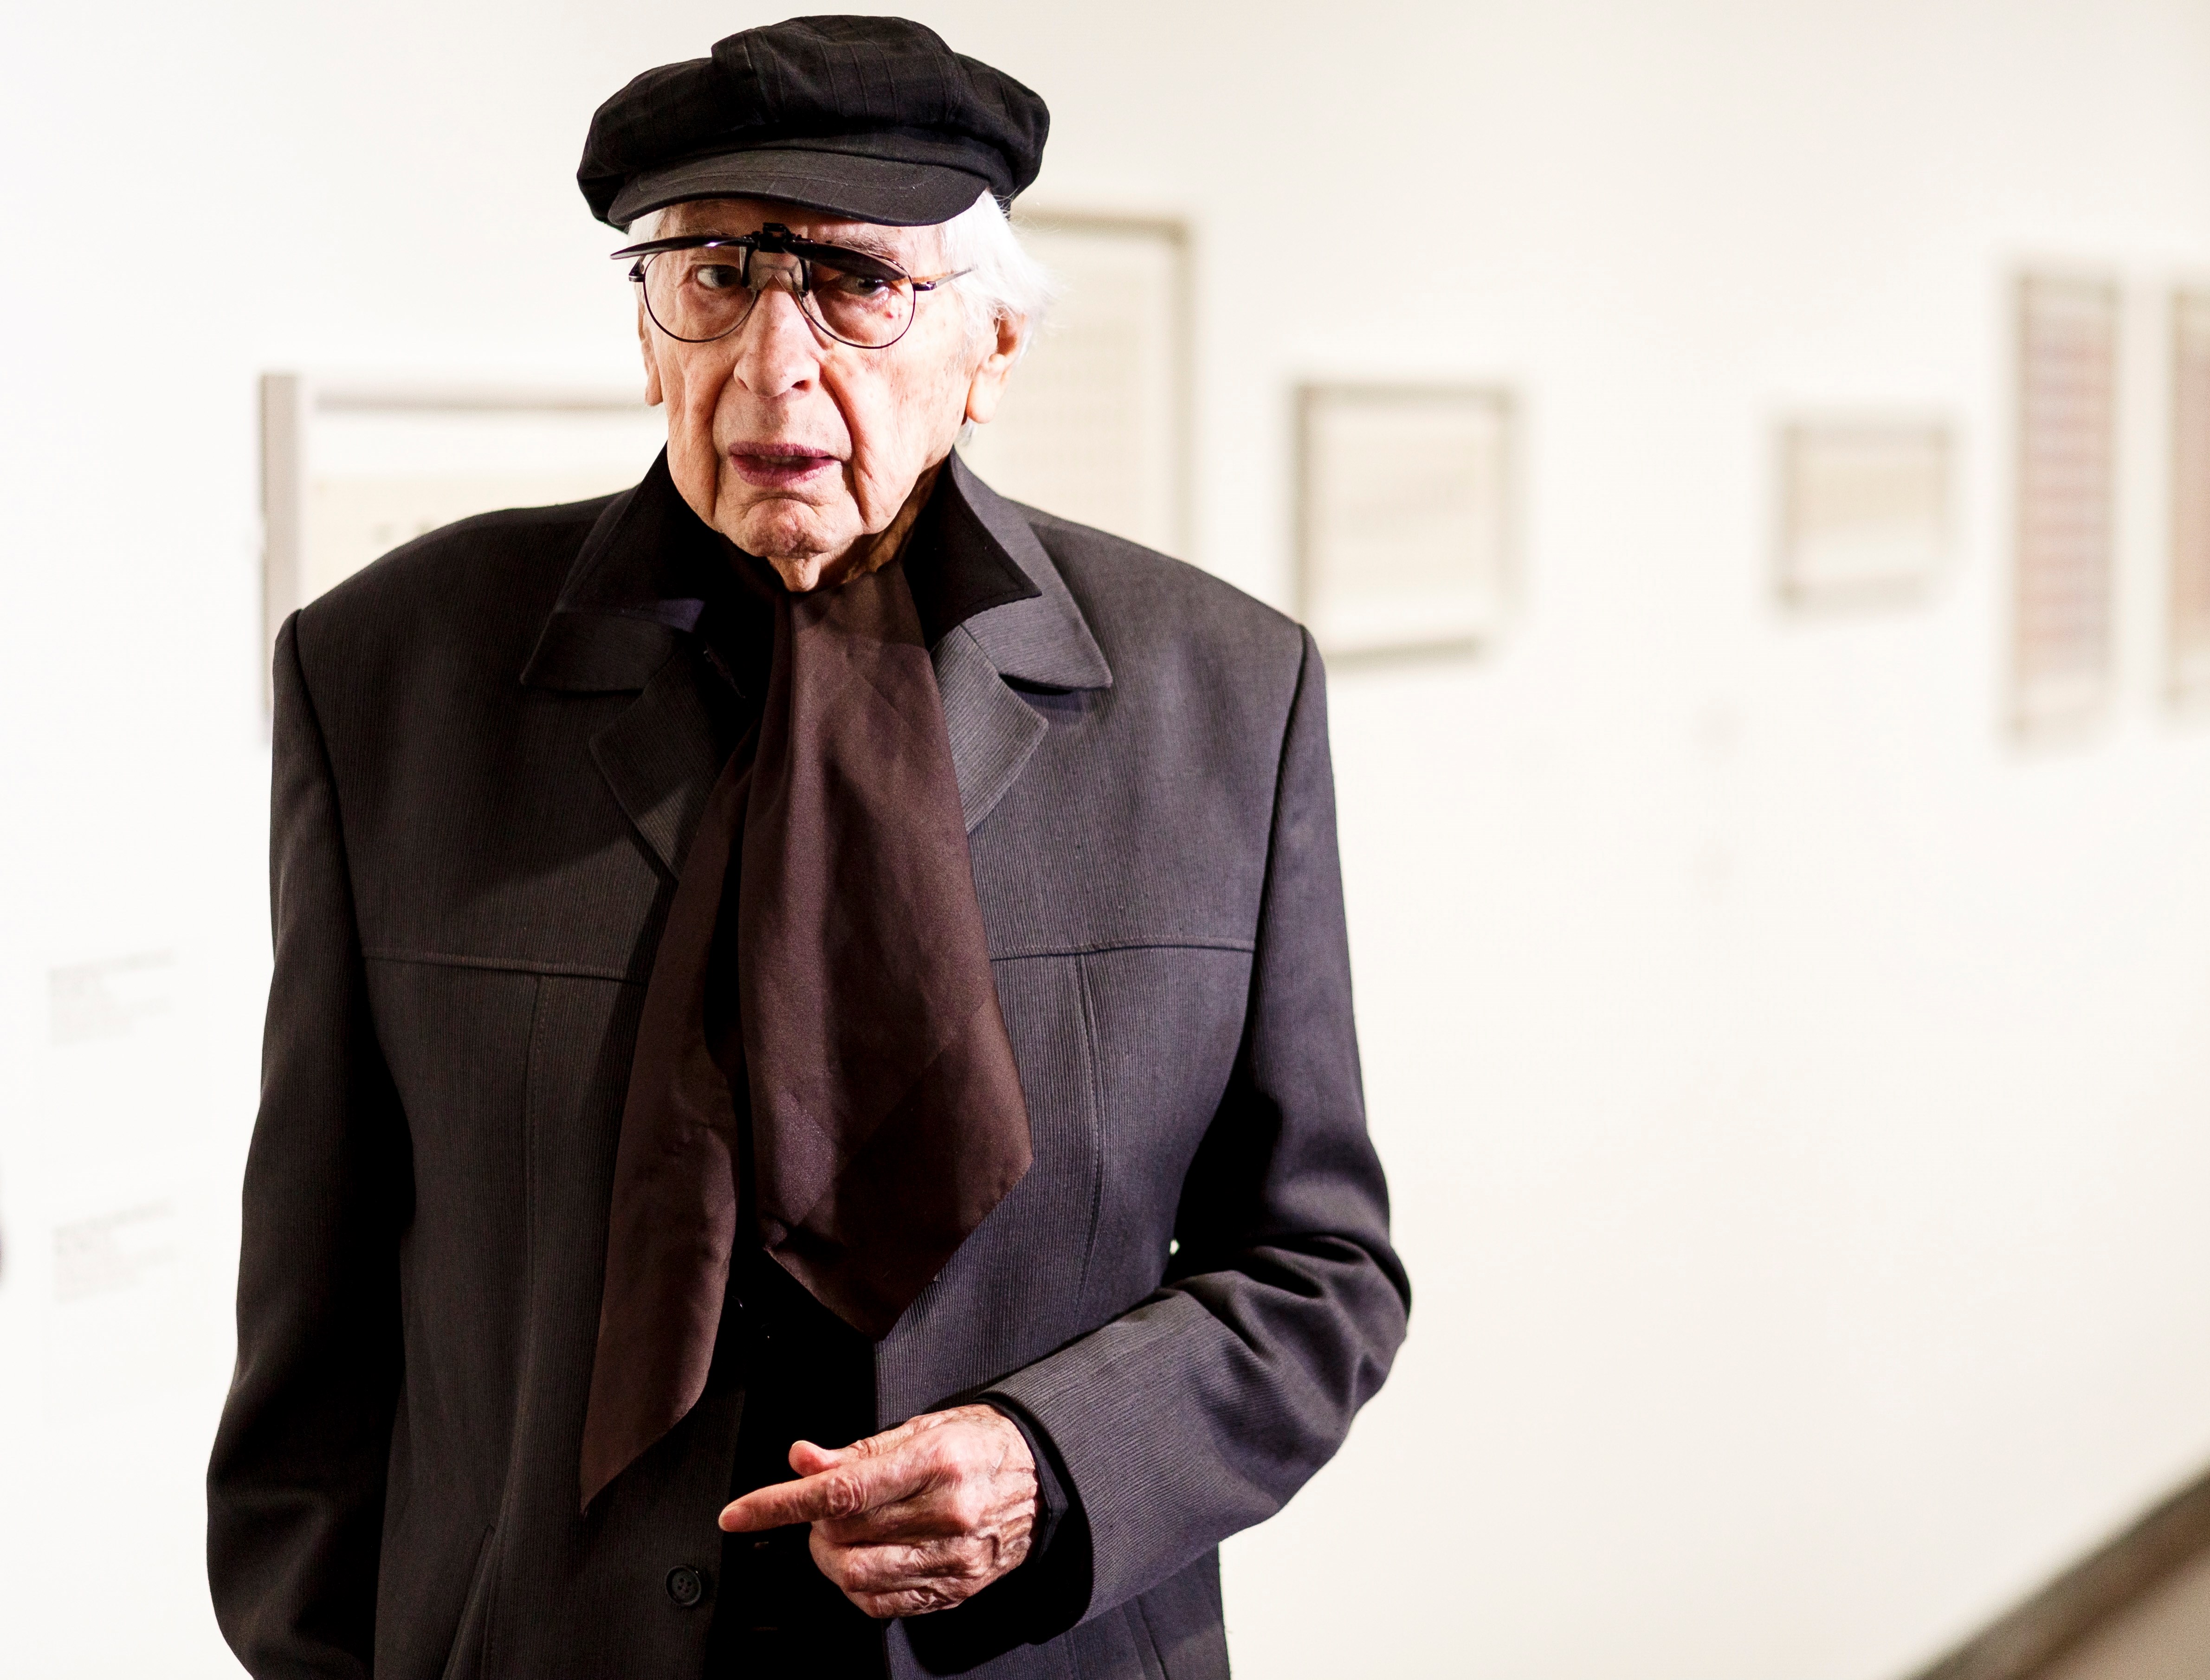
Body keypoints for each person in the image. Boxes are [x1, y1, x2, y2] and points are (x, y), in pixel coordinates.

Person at [206, 17, 1407, 1680]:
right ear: (648, 331)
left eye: (853, 283)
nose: (774, 363)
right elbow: (315, 1314)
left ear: (991, 342)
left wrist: (1050, 1463)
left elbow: (1319, 1273)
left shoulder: (1219, 693)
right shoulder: (392, 676)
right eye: (710, 276)